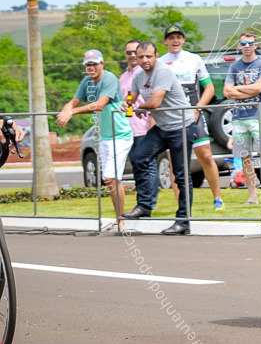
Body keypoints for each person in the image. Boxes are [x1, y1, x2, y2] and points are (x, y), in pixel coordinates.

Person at [121, 41, 196, 235]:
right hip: (162, 127)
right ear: (136, 58)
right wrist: (128, 107)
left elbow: (154, 102)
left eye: (149, 56)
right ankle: (144, 206)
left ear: (156, 56)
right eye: (141, 57)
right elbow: (131, 97)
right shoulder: (138, 75)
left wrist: (138, 108)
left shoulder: (163, 72)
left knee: (180, 175)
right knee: (138, 156)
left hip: (181, 126)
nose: (145, 60)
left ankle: (183, 221)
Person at [57, 49, 133, 229]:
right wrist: (66, 109)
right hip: (106, 136)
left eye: (94, 64)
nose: (91, 68)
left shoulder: (109, 78)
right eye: (88, 65)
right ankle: (119, 219)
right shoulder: (86, 81)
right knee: (110, 180)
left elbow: (99, 105)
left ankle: (121, 220)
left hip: (120, 134)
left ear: (102, 64)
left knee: (111, 177)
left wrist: (72, 112)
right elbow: (74, 101)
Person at [159, 25, 223, 210]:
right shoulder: (161, 62)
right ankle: (183, 206)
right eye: (171, 38)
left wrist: (197, 109)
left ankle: (217, 198)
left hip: (194, 116)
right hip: (172, 119)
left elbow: (209, 88)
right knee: (176, 163)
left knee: (206, 156)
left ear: (183, 40)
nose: (175, 40)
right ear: (165, 41)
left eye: (179, 37)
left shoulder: (194, 59)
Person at [223, 31, 261, 205]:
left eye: (250, 43)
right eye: (244, 43)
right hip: (239, 117)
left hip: (258, 117)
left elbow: (260, 88)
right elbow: (226, 91)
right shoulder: (234, 67)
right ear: (240, 45)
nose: (247, 47)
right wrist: (249, 90)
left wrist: (238, 90)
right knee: (245, 157)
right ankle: (252, 196)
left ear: (255, 45)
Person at [118, 39, 151, 178]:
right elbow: (127, 102)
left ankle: (150, 198)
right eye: (129, 52)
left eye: (135, 52)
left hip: (144, 127)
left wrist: (151, 125)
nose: (132, 55)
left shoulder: (145, 73)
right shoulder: (123, 77)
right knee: (136, 165)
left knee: (147, 165)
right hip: (128, 128)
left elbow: (151, 99)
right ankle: (143, 198)